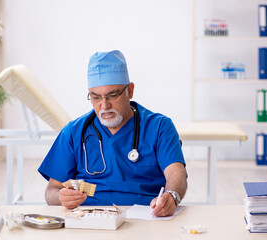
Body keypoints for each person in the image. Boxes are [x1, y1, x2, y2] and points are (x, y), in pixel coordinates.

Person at [38, 50, 187, 217]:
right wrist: (60, 197)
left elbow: (176, 173)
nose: (104, 105)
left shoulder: (159, 127)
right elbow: (52, 190)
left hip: (146, 216)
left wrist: (171, 196)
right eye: (95, 97)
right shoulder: (73, 132)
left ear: (130, 90)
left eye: (112, 95)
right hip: (89, 219)